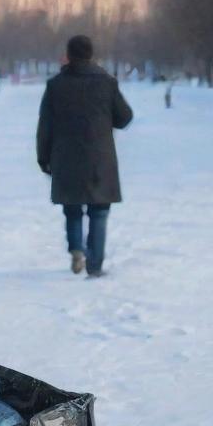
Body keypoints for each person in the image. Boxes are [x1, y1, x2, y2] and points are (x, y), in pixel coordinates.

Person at [36, 34, 133, 277]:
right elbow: (125, 117)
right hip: (99, 158)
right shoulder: (106, 82)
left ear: (69, 55)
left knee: (72, 208)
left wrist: (43, 158)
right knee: (99, 212)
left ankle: (77, 249)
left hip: (66, 158)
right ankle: (95, 265)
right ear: (91, 54)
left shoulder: (56, 85)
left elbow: (45, 125)